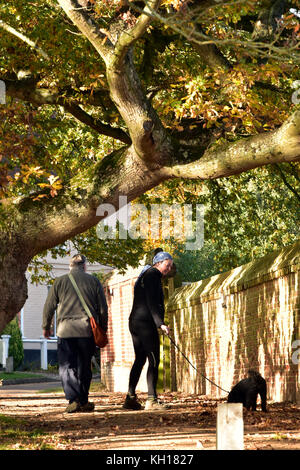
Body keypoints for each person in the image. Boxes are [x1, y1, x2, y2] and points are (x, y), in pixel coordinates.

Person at [42, 254, 108, 413]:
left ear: (70, 266)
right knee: (85, 366)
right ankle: (83, 400)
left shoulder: (59, 282)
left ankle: (73, 399)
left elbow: (49, 306)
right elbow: (103, 309)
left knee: (67, 366)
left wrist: (46, 326)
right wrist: (102, 329)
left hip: (65, 331)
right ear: (84, 266)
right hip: (87, 331)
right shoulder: (93, 281)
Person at [123, 251, 173, 411]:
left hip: (135, 322)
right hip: (145, 324)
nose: (169, 268)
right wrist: (160, 324)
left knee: (140, 359)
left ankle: (130, 398)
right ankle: (152, 400)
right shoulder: (153, 275)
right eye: (167, 264)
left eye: (170, 265)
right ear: (158, 263)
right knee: (154, 359)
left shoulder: (145, 275)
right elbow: (152, 302)